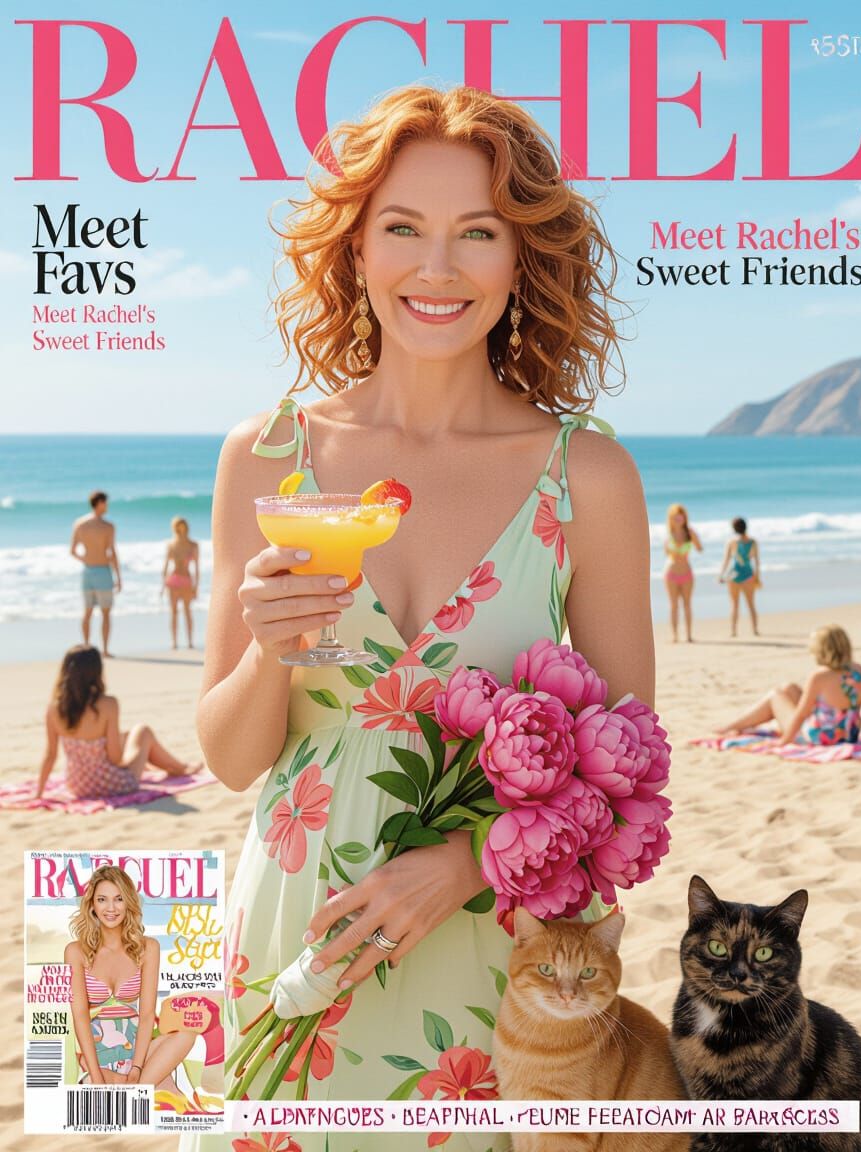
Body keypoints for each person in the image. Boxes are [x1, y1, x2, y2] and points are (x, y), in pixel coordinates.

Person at [187, 85, 652, 1150]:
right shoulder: (265, 456)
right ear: (354, 248)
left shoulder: (585, 476)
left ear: (521, 259)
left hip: (492, 967)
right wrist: (268, 655)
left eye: (476, 233)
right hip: (290, 940)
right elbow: (230, 758)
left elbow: (629, 775)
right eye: (402, 227)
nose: (436, 269)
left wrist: (463, 864)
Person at [64, 865, 195, 1097]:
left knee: (186, 1035)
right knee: (101, 1086)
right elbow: (80, 1016)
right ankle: (142, 1087)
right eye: (102, 899)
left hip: (139, 1052)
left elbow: (147, 1015)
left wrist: (137, 1068)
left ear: (129, 903)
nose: (111, 908)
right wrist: (96, 1076)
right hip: (98, 1055)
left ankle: (135, 1085)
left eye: (119, 899)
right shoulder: (75, 952)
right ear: (92, 904)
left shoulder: (148, 948)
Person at [37, 645, 200, 799]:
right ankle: (181, 769)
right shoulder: (108, 704)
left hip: (77, 786)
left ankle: (173, 767)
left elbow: (50, 755)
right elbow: (115, 758)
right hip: (112, 784)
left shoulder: (54, 709)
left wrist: (39, 792)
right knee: (143, 731)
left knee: (128, 736)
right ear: (97, 671)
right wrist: (136, 759)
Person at [719, 624, 861, 746]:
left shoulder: (820, 676)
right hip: (848, 735)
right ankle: (736, 726)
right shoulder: (859, 671)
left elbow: (801, 714)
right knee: (789, 689)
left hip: (821, 738)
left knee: (775, 696)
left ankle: (731, 727)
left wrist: (784, 741)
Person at [71, 490, 121, 657]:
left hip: (87, 571)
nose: (107, 506)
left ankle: (86, 648)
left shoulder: (80, 523)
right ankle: (105, 650)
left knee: (87, 612)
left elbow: (72, 551)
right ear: (99, 503)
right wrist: (118, 577)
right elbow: (112, 553)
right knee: (105, 613)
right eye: (105, 502)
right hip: (103, 571)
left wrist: (85, 558)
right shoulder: (108, 526)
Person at [663, 503, 702, 643]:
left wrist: (694, 537)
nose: (678, 519)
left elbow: (699, 549)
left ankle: (689, 635)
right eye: (675, 516)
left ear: (685, 517)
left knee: (687, 605)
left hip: (687, 574)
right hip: (671, 574)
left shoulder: (689, 533)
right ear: (671, 518)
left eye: (681, 516)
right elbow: (666, 554)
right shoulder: (669, 535)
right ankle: (675, 636)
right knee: (674, 606)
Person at [162, 517, 200, 649]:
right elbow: (165, 566)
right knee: (173, 612)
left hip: (186, 581)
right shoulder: (171, 545)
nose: (181, 530)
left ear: (186, 528)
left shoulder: (193, 545)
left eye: (183, 527)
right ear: (175, 529)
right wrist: (163, 586)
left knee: (187, 612)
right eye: (178, 527)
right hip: (173, 581)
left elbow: (197, 568)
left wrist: (196, 587)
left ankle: (190, 642)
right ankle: (174, 642)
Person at [719, 516, 760, 637]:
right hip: (748, 574)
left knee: (734, 604)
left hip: (734, 574)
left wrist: (721, 575)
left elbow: (726, 560)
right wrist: (757, 577)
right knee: (751, 604)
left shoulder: (732, 542)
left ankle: (733, 631)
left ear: (734, 529)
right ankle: (755, 630)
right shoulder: (753, 542)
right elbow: (756, 561)